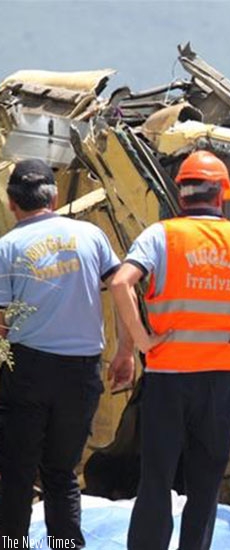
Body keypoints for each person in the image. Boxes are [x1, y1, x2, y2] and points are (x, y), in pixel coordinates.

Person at [109, 150, 230, 550]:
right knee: (205, 484)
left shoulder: (160, 235)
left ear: (181, 194)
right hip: (219, 378)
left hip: (166, 379)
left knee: (157, 480)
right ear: (222, 194)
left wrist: (141, 343)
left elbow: (120, 283)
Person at [0, 159, 135, 548]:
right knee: (61, 473)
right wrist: (126, 350)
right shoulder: (90, 235)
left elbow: (3, 323)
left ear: (12, 203)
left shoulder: (8, 246)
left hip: (28, 370)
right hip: (81, 373)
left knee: (17, 474)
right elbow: (123, 287)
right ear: (55, 197)